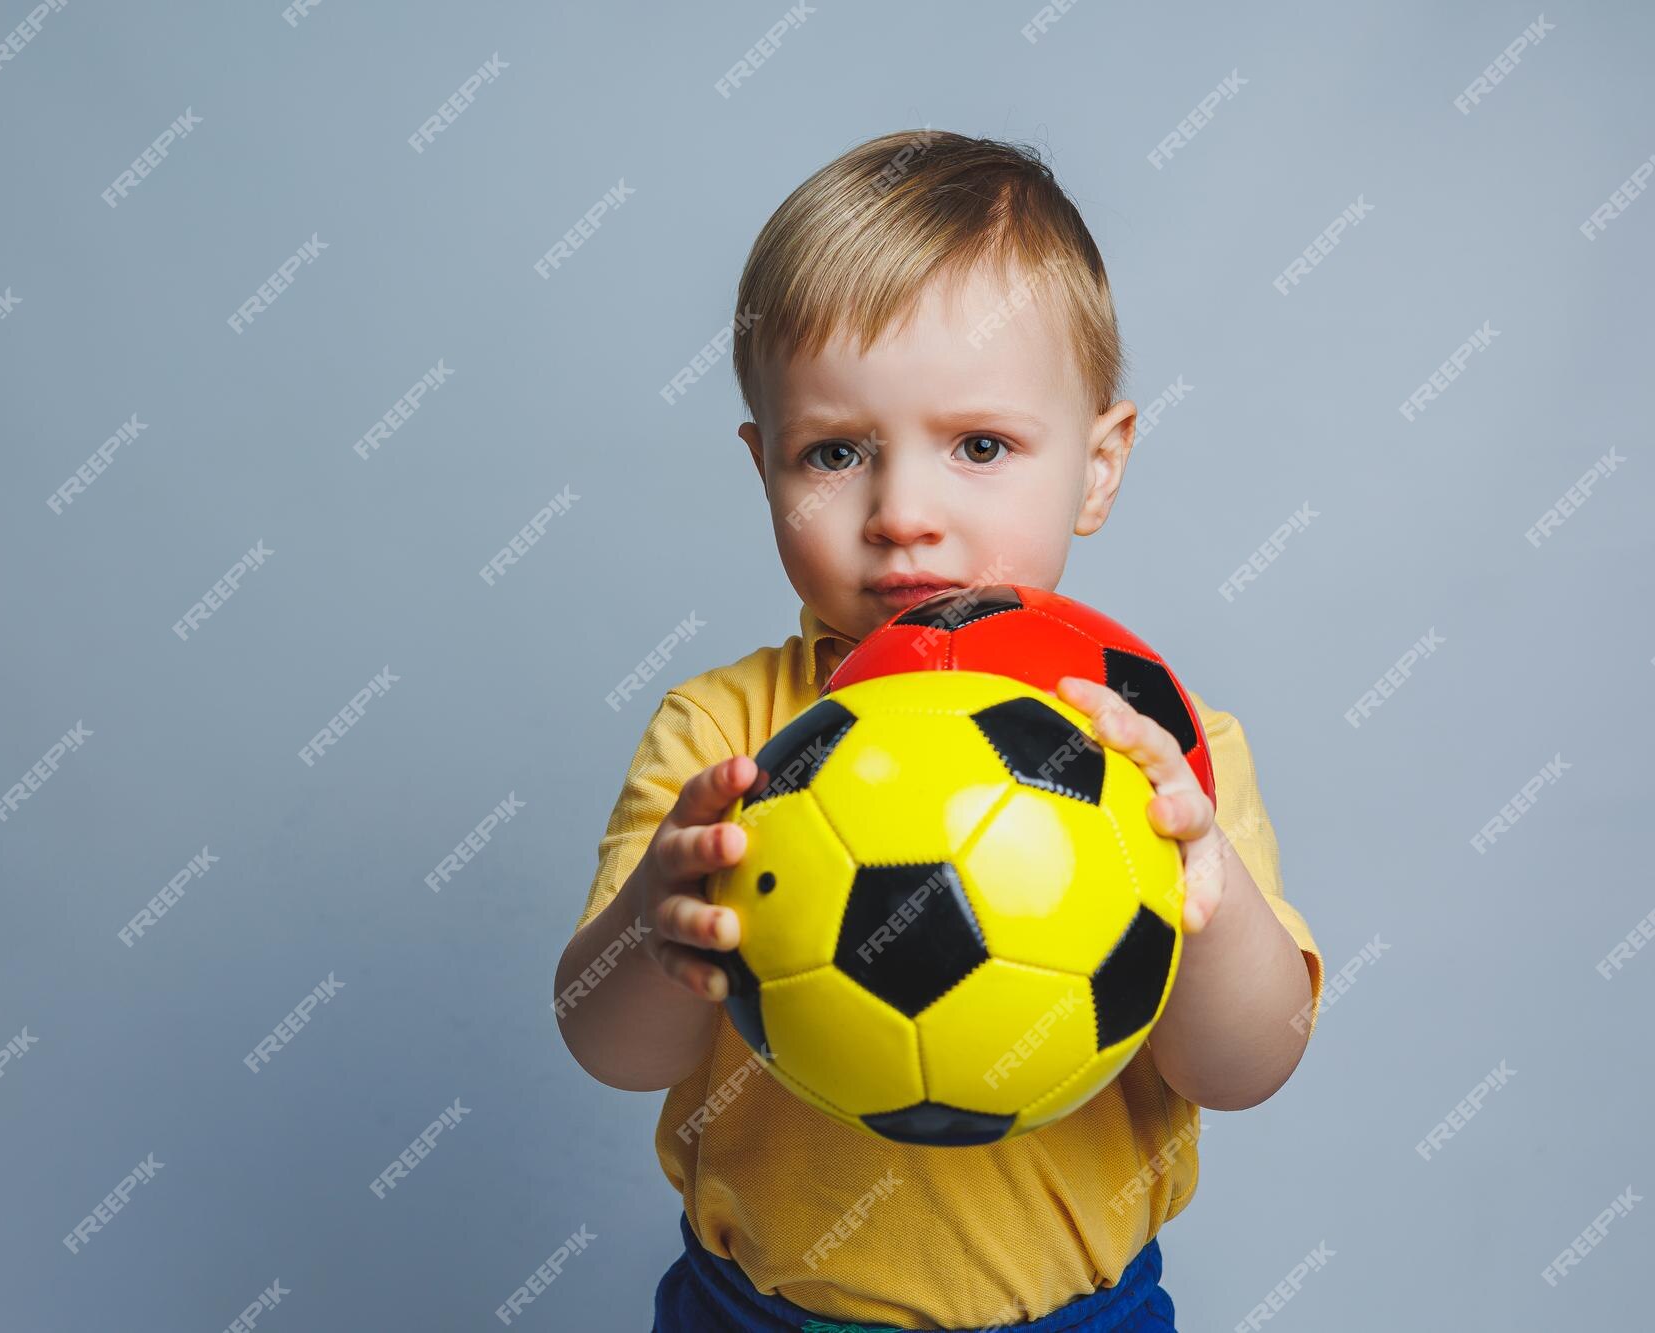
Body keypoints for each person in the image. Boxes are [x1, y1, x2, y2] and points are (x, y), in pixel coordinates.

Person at [554, 130, 1325, 1332]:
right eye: (835, 453)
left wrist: (1201, 883)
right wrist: (656, 934)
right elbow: (608, 1047)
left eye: (978, 447)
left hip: (1077, 1317)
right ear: (764, 468)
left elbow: (1243, 1069)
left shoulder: (1163, 745)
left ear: (1095, 465)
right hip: (757, 1314)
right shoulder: (726, 729)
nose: (901, 514)